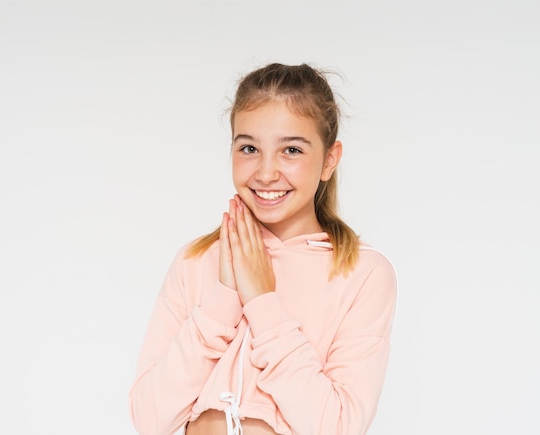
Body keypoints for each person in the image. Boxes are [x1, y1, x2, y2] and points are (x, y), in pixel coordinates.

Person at [128, 63, 397, 435]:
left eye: (291, 150)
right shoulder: (196, 261)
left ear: (329, 160)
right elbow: (149, 418)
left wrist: (261, 300)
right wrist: (224, 297)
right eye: (250, 148)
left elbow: (338, 427)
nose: (267, 173)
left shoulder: (363, 273)